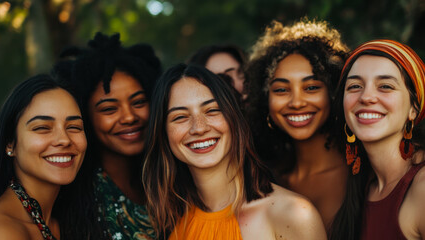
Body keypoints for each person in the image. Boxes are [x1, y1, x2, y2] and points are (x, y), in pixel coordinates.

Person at [142, 63, 326, 240]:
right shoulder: (167, 220)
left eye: (212, 110)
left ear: (234, 120)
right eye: (180, 117)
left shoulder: (293, 215)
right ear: (163, 133)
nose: (199, 128)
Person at [245, 19, 349, 230]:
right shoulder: (264, 178)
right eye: (281, 90)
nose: (297, 102)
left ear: (333, 93)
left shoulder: (361, 171)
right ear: (265, 100)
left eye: (311, 87)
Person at [56, 32, 161, 239]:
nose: (129, 117)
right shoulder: (72, 195)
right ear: (85, 117)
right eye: (109, 109)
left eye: (139, 102)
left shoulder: (165, 177)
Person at [331, 39, 425, 240]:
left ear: (413, 109)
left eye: (385, 86)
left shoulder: (422, 187)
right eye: (355, 86)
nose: (366, 97)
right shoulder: (362, 185)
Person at [0, 75, 101, 239]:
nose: (64, 140)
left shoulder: (70, 219)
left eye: (74, 127)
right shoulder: (3, 230)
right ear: (10, 143)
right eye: (42, 128)